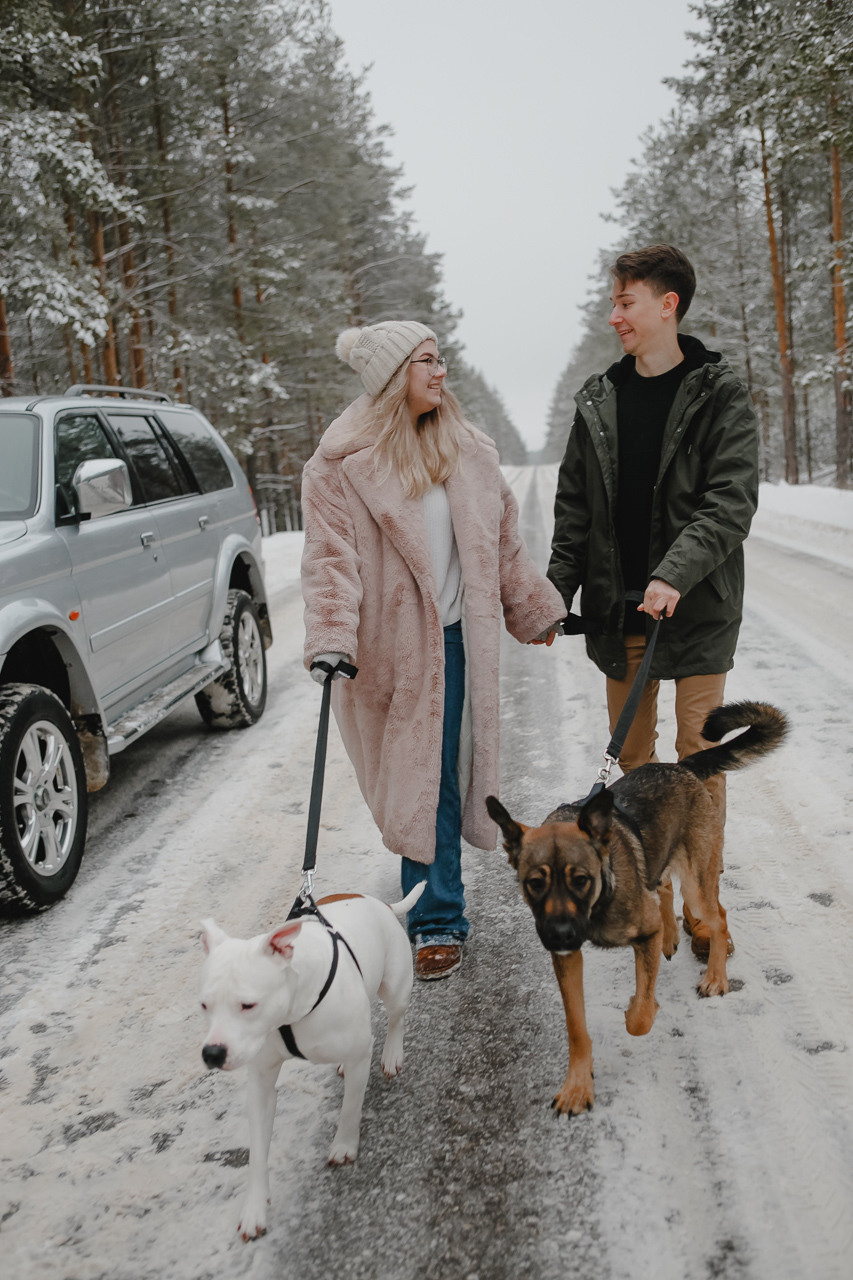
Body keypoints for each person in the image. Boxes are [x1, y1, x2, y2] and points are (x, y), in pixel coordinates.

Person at [301, 320, 565, 980]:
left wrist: (531, 610)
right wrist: (331, 638)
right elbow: (328, 560)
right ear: (393, 377)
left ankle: (437, 917)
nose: (440, 371)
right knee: (410, 786)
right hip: (386, 651)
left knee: (437, 781)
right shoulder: (339, 466)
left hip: (454, 641)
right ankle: (433, 906)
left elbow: (499, 547)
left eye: (439, 358)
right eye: (425, 361)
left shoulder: (467, 451)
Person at [547, 244, 759, 957]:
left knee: (696, 762)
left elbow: (730, 500)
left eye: (625, 303)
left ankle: (706, 908)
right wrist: (554, 589)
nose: (614, 318)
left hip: (695, 608)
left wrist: (674, 572)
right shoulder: (598, 400)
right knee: (633, 770)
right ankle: (653, 906)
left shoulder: (717, 391)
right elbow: (573, 508)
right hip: (617, 610)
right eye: (612, 304)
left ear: (666, 304)